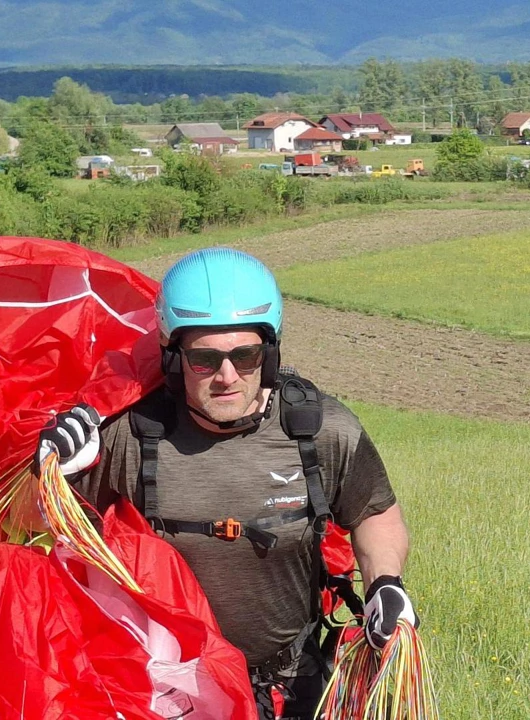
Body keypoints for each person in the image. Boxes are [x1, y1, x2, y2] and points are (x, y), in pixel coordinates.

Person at [39, 247, 416, 720]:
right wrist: (55, 470)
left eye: (246, 355)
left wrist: (385, 583)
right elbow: (43, 531)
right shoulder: (129, 436)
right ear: (174, 358)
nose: (227, 376)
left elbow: (372, 512)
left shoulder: (318, 430)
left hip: (291, 684)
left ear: (270, 354)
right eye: (203, 359)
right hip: (168, 690)